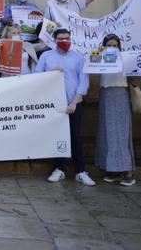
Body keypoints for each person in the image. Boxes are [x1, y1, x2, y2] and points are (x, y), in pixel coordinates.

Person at [36, 28, 95, 186]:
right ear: (55, 40)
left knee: (76, 137)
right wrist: (51, 74)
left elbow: (83, 81)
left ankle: (80, 171)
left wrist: (75, 102)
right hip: (53, 104)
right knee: (57, 138)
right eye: (61, 38)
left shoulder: (78, 57)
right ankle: (59, 169)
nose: (65, 40)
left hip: (73, 103)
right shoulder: (46, 56)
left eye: (67, 38)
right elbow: (37, 76)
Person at [94, 34, 136, 186]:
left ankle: (128, 172)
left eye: (115, 45)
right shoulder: (100, 55)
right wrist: (98, 51)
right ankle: (113, 170)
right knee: (107, 133)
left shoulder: (125, 57)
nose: (112, 48)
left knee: (121, 134)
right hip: (105, 94)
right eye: (109, 45)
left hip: (120, 93)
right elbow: (90, 65)